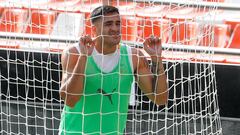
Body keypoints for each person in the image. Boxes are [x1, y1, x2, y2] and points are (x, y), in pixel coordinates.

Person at [59, 5, 168, 135]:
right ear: (94, 30)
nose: (115, 29)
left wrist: (156, 59)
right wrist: (83, 57)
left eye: (118, 23)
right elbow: (70, 100)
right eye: (108, 24)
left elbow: (160, 99)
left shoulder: (133, 56)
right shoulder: (74, 53)